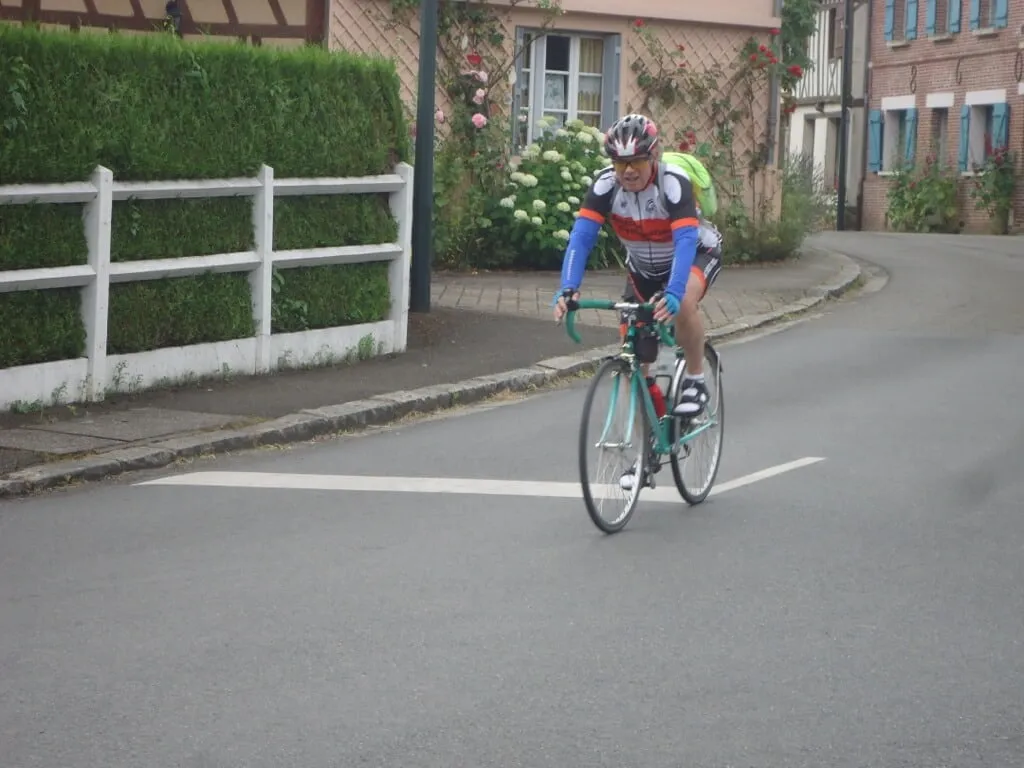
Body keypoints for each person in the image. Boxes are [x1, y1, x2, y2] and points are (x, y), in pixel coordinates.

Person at [553, 113, 723, 424]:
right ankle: (649, 447)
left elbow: (685, 239)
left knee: (684, 301)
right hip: (643, 269)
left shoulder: (672, 183)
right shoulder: (606, 186)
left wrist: (673, 290)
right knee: (634, 358)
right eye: (620, 163)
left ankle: (696, 380)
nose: (628, 170)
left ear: (653, 156)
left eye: (637, 162)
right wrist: (568, 286)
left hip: (696, 252)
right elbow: (582, 237)